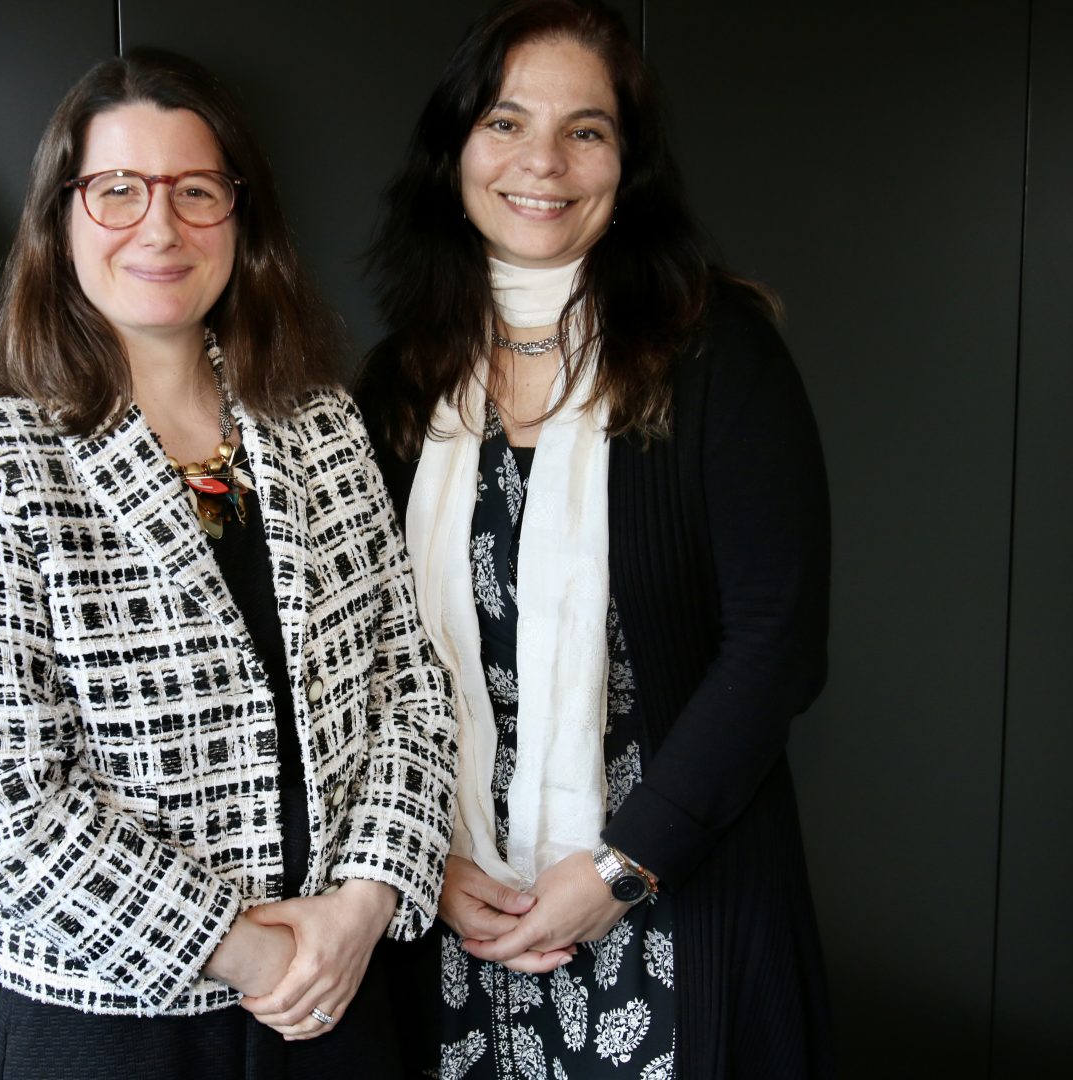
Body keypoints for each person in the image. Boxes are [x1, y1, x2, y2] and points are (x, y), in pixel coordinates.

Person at [0, 48, 457, 1080]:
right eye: (118, 190)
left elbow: (410, 688)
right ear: (61, 219)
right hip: (116, 1019)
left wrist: (361, 906)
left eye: (195, 190)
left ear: (240, 218)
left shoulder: (322, 424)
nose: (160, 227)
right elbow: (7, 800)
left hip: (340, 996)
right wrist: (249, 953)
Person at [356, 2, 833, 1077]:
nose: (544, 162)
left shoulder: (717, 357)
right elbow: (367, 660)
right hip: (459, 918)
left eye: (587, 129)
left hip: (673, 901)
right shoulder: (400, 383)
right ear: (455, 151)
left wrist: (623, 869)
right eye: (506, 122)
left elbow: (777, 649)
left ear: (630, 164)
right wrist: (422, 863)